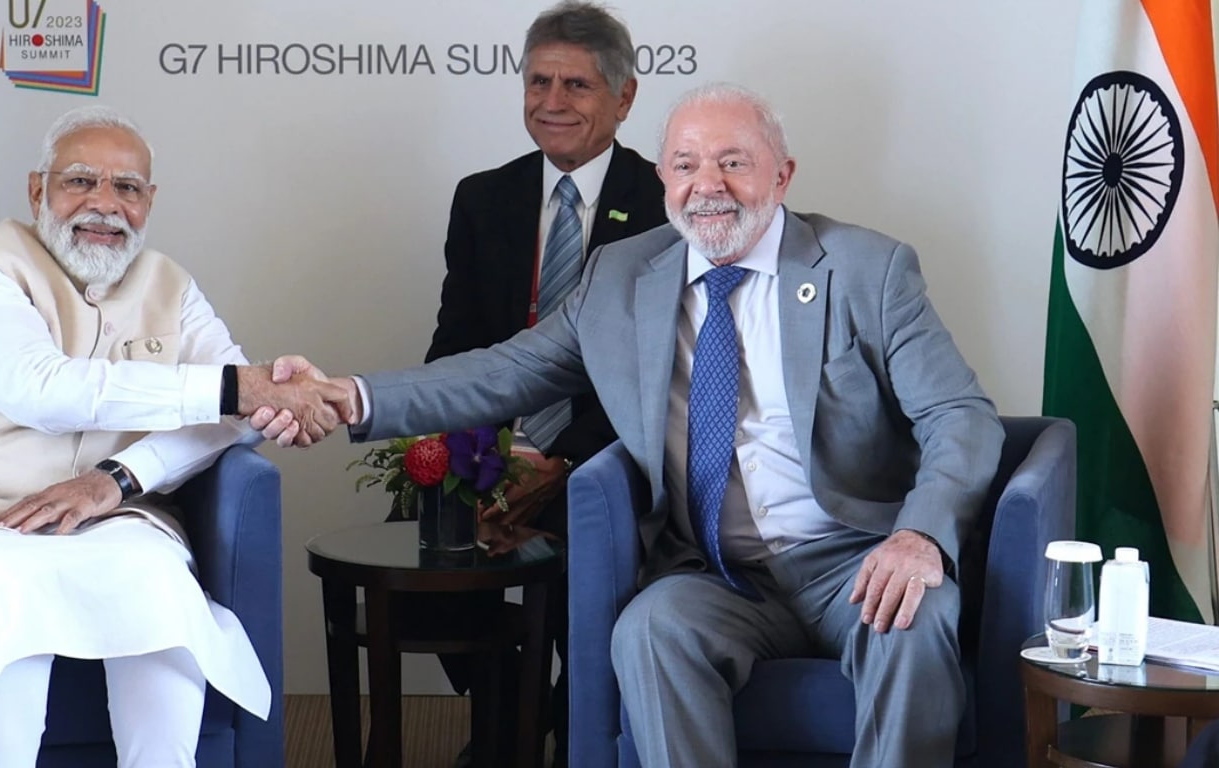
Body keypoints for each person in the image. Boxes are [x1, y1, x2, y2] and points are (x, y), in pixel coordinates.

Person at [262, 83, 1005, 768]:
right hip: (720, 574)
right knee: (649, 631)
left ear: (782, 177)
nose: (706, 185)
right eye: (684, 164)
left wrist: (920, 535)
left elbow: (959, 416)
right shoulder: (622, 277)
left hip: (854, 556)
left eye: (733, 162)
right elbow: (500, 374)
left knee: (914, 616)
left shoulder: (867, 270)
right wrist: (348, 396)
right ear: (663, 180)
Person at [0, 105, 343, 768]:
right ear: (38, 190)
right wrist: (243, 387)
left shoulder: (171, 285)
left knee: (155, 579)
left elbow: (231, 414)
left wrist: (118, 479)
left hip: (116, 514)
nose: (104, 204)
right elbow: (40, 388)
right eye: (80, 181)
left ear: (149, 201)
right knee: (0, 588)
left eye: (127, 188)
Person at [416, 2, 663, 764]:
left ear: (623, 99)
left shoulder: (666, 203)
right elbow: (457, 341)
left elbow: (662, 371)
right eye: (538, 81)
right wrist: (459, 448)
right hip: (494, 446)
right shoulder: (483, 197)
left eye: (577, 86)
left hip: (609, 451)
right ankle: (508, 724)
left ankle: (550, 725)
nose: (552, 102)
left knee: (579, 583)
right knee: (426, 568)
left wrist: (561, 461)